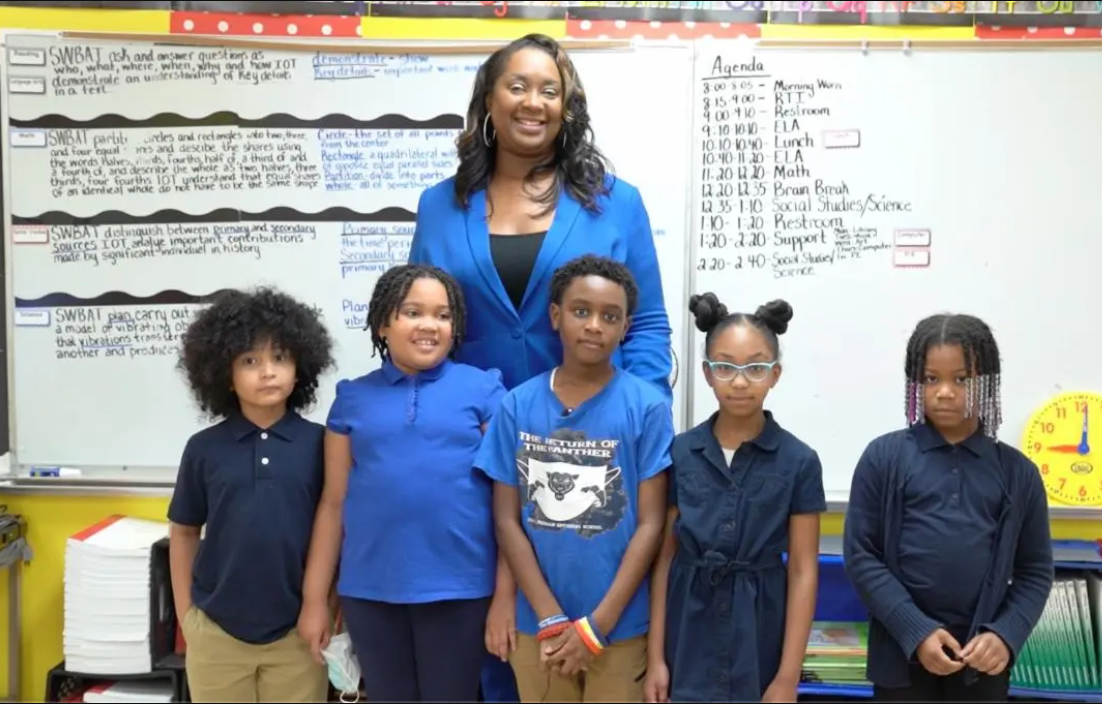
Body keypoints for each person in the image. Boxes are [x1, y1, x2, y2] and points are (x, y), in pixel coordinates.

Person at [408, 34, 673, 700]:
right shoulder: (441, 205)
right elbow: (424, 316)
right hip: (477, 444)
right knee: (499, 636)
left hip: (592, 449)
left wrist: (626, 415)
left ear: (568, 105)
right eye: (517, 86)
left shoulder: (617, 201)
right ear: (489, 101)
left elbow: (646, 325)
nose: (534, 102)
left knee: (586, 609)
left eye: (549, 90)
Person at [297, 264, 508, 702]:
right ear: (382, 323)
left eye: (443, 315)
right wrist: (316, 600)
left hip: (461, 589)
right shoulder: (353, 398)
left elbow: (510, 504)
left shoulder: (484, 391)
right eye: (413, 312)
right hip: (370, 592)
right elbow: (334, 504)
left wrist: (507, 595)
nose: (430, 324)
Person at [475, 254, 672, 703]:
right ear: (556, 316)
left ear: (626, 328)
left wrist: (597, 625)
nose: (595, 325)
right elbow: (507, 521)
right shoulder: (517, 406)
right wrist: (549, 617)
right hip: (538, 628)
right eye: (581, 311)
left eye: (610, 316)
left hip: (618, 628)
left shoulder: (646, 407)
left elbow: (651, 524)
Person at [843, 313, 1055, 702]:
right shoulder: (883, 458)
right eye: (930, 379)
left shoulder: (1018, 473)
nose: (944, 391)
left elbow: (1035, 570)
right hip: (902, 656)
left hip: (982, 661)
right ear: (915, 384)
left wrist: (1005, 635)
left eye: (961, 379)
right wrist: (916, 630)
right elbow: (862, 556)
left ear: (988, 382)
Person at [644, 293, 825, 703]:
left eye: (755, 368)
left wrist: (786, 678)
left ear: (775, 374)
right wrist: (656, 658)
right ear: (707, 374)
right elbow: (665, 562)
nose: (740, 381)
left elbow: (802, 571)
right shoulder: (679, 453)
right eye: (725, 367)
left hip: (760, 629)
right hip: (688, 630)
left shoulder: (799, 461)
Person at [167, 287, 335, 703]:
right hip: (217, 633)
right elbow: (184, 532)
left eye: (280, 357)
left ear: (300, 366)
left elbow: (335, 533)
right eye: (250, 361)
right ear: (223, 372)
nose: (268, 372)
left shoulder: (322, 444)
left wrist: (328, 608)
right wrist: (190, 617)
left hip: (299, 632)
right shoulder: (203, 448)